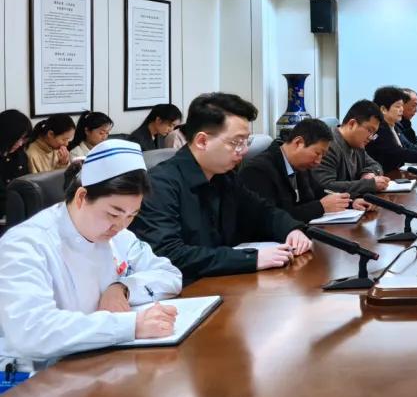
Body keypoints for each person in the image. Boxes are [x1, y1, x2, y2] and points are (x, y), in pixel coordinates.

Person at [0, 140, 182, 366]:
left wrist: (122, 288)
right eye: (113, 214)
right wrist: (131, 326)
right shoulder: (25, 244)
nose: (121, 226)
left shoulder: (118, 236)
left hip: (100, 358)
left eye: (131, 215)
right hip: (37, 372)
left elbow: (170, 275)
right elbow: (32, 331)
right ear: (81, 197)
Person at [129, 93, 312, 284]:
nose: (244, 150)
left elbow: (261, 211)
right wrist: (251, 259)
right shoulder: (160, 185)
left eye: (246, 141)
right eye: (236, 142)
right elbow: (169, 254)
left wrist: (292, 230)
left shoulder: (224, 176)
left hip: (225, 284)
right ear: (202, 141)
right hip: (184, 292)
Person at [238, 118, 364, 223]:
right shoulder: (258, 171)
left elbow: (319, 192)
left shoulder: (301, 165)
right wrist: (320, 207)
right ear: (298, 143)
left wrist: (351, 203)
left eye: (322, 156)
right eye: (317, 153)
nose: (318, 161)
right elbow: (271, 219)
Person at [312, 100, 391, 197]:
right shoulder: (329, 145)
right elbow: (326, 187)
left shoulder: (357, 144)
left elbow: (375, 165)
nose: (371, 137)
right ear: (352, 124)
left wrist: (369, 173)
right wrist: (368, 184)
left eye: (374, 133)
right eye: (369, 130)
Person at [367, 86, 417, 172]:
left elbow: (408, 147)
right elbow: (400, 153)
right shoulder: (379, 129)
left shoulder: (394, 126)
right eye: (397, 106)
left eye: (402, 106)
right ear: (383, 109)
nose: (401, 109)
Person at [0, 109, 32, 197]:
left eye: (23, 139)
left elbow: (26, 183)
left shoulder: (20, 155)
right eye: (19, 138)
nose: (20, 143)